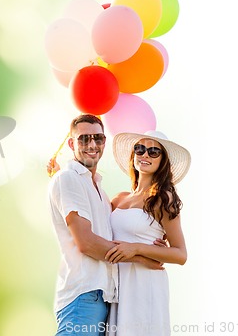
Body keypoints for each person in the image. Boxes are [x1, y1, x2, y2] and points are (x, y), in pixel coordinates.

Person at [48, 115, 164, 336]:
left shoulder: (99, 191)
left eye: (98, 138)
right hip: (83, 295)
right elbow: (87, 243)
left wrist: (150, 240)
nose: (92, 145)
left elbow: (122, 227)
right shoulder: (68, 179)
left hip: (104, 296)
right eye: (83, 139)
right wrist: (141, 257)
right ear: (72, 144)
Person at [104, 131, 191, 336]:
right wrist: (64, 176)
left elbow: (180, 254)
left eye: (153, 151)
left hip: (145, 285)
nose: (145, 155)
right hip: (118, 284)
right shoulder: (119, 199)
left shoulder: (163, 199)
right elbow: (90, 213)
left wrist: (136, 249)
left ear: (162, 161)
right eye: (140, 149)